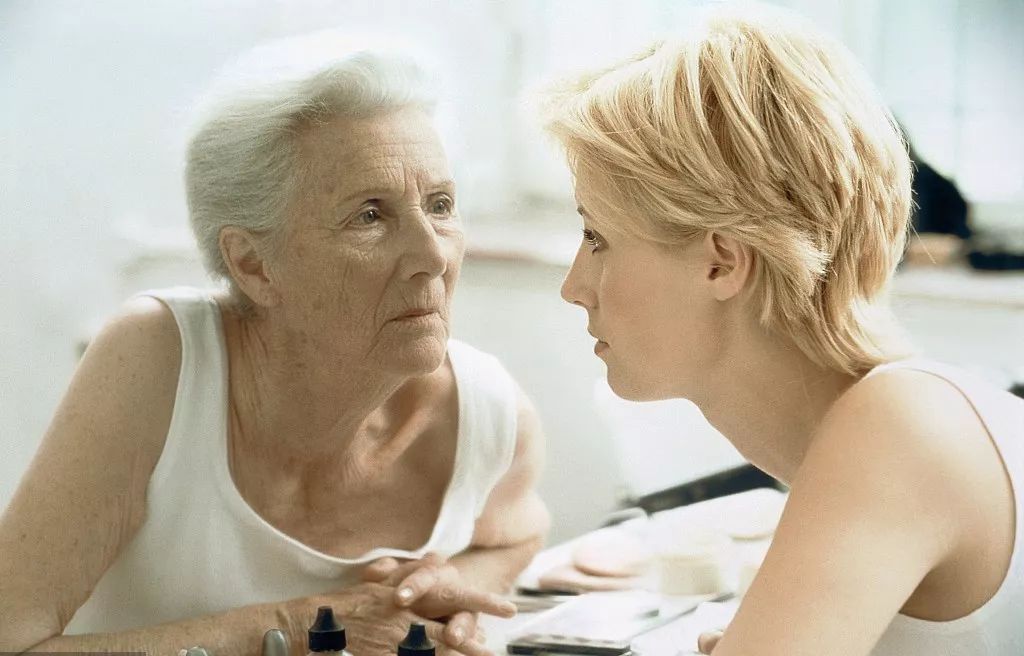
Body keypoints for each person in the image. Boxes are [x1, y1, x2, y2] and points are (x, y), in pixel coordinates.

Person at [0, 34, 549, 656]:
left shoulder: (488, 413)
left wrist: (446, 587)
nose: (432, 255)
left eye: (440, 205)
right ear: (253, 264)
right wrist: (296, 629)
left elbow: (513, 537)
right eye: (370, 214)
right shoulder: (156, 360)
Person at [541, 4, 1023, 655]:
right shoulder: (903, 414)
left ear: (723, 261)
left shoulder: (894, 428)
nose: (574, 287)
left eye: (596, 236)